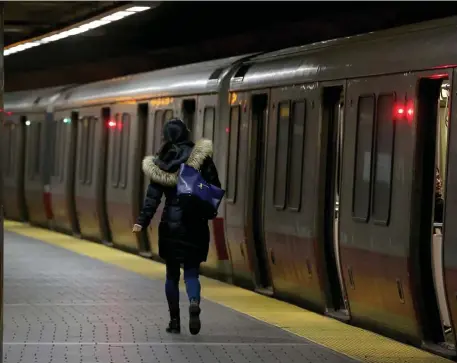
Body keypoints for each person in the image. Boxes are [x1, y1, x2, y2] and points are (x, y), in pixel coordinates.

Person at [132, 118, 221, 336]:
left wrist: (141, 221)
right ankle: (193, 302)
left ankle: (174, 321)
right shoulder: (201, 158)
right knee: (191, 272)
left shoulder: (161, 162)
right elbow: (214, 186)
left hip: (170, 225)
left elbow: (152, 199)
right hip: (195, 223)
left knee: (172, 275)